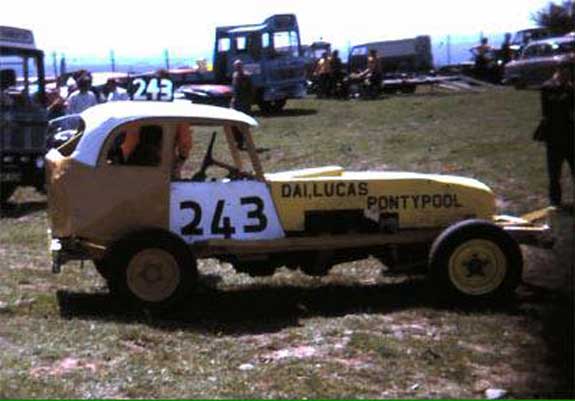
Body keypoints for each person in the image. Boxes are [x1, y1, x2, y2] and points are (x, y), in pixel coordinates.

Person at [536, 65, 574, 207]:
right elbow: (547, 111)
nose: (567, 77)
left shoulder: (570, 88)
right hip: (554, 137)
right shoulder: (548, 88)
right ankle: (555, 200)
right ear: (558, 72)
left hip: (570, 136)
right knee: (554, 173)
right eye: (565, 74)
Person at [230, 59, 252, 149]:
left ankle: (245, 141)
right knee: (233, 123)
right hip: (235, 103)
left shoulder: (246, 76)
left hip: (244, 103)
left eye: (239, 66)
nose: (238, 68)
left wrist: (248, 101)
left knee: (243, 123)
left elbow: (251, 90)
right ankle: (238, 141)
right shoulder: (234, 75)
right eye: (236, 66)